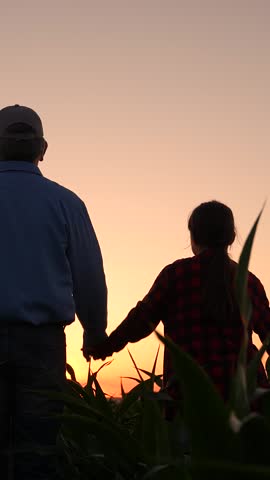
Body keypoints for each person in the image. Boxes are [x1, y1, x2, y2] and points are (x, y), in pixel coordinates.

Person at [0, 104, 107, 480]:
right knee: (38, 455)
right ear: (42, 148)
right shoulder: (66, 202)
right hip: (42, 346)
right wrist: (95, 332)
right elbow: (89, 275)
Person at [89, 200, 270, 412]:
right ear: (231, 237)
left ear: (193, 236)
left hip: (188, 400)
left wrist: (106, 346)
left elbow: (140, 321)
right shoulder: (248, 281)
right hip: (246, 400)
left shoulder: (175, 275)